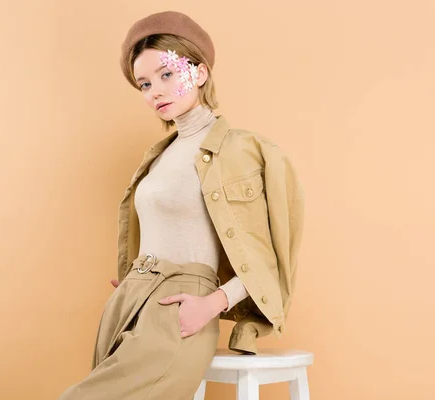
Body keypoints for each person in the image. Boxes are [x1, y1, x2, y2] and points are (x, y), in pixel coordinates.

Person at [58, 10, 304, 400]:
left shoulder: (241, 150)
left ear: (200, 73)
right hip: (130, 300)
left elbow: (268, 260)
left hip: (179, 308)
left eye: (167, 74)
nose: (154, 90)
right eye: (144, 83)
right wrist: (135, 282)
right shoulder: (157, 156)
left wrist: (213, 304)